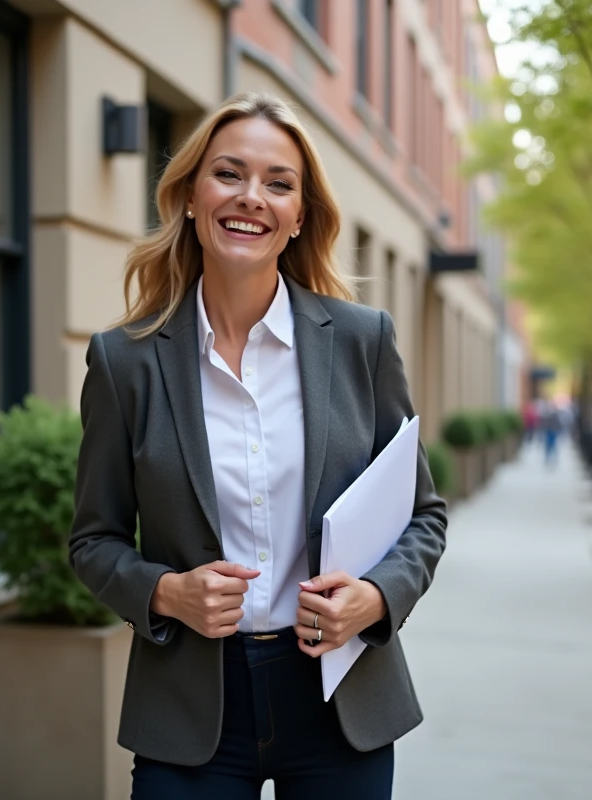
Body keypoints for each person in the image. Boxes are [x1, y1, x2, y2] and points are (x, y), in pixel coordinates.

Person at [68, 92, 448, 799]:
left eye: (279, 183)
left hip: (340, 700)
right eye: (229, 174)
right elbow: (93, 541)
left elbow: (424, 517)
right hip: (190, 709)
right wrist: (166, 592)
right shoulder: (126, 363)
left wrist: (374, 598)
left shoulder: (362, 342)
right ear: (188, 196)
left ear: (300, 216)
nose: (252, 198)